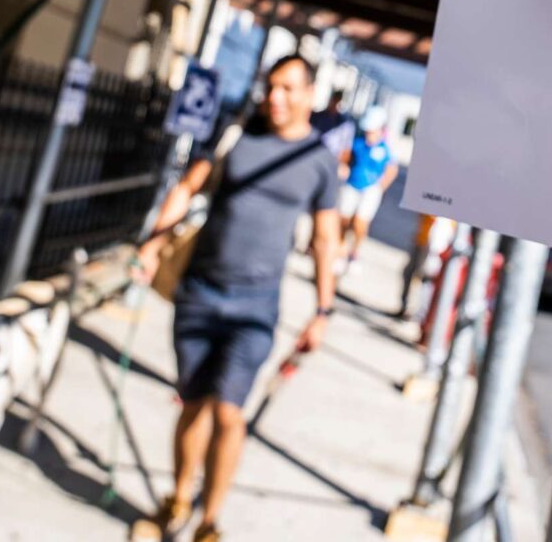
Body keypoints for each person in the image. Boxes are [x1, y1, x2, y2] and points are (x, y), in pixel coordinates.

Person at [131, 55, 341, 542]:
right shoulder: (235, 135)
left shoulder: (318, 162)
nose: (276, 97)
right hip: (200, 293)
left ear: (310, 94)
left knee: (229, 412)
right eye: (272, 86)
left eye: (289, 88)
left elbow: (325, 240)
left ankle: (210, 522)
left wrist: (323, 311)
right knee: (192, 403)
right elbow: (187, 188)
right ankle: (179, 500)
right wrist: (151, 245)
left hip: (256, 306)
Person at [336, 106, 400, 273]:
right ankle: (341, 248)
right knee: (343, 219)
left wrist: (380, 187)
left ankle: (354, 252)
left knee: (360, 223)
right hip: (352, 184)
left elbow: (391, 169)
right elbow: (345, 156)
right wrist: (343, 167)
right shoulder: (358, 142)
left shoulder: (385, 149)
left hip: (370, 189)